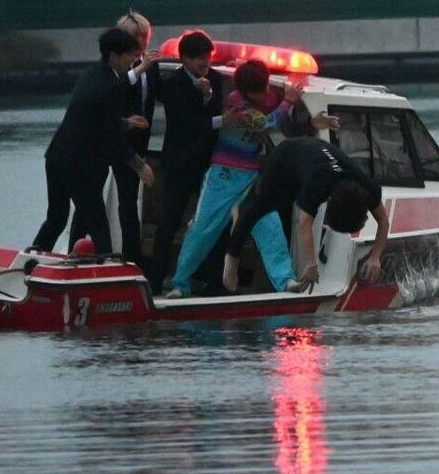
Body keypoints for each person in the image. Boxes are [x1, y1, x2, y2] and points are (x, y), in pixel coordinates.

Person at [165, 59, 302, 298]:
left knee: (270, 226)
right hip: (224, 175)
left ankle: (286, 279)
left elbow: (280, 117)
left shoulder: (269, 96)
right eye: (257, 91)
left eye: (265, 89)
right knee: (203, 228)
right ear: (245, 91)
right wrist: (288, 100)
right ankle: (180, 283)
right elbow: (265, 122)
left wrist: (287, 101)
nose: (263, 95)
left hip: (253, 177)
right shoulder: (236, 103)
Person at [31, 28, 155, 255]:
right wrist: (140, 166)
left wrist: (126, 122)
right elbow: (112, 138)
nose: (132, 61)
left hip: (56, 156)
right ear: (113, 56)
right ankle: (103, 276)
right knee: (97, 222)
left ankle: (30, 262)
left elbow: (93, 118)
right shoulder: (114, 86)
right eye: (128, 55)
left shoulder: (90, 75)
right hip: (79, 165)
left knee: (56, 218)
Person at [224, 137, 391, 294]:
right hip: (285, 157)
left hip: (313, 157)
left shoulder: (368, 188)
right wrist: (310, 266)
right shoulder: (318, 184)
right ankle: (231, 257)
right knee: (260, 209)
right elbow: (303, 224)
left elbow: (383, 221)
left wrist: (376, 256)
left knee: (289, 204)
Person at [148, 30, 243, 294]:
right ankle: (155, 280)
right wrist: (220, 119)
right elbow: (184, 125)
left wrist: (208, 95)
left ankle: (215, 280)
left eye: (208, 57)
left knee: (216, 219)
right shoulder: (175, 84)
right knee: (170, 221)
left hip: (208, 163)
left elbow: (213, 112)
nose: (205, 62)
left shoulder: (212, 78)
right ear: (185, 60)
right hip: (179, 163)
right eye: (199, 58)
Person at [68, 10, 160, 265]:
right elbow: (117, 88)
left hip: (132, 144)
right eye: (135, 39)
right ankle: (74, 250)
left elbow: (160, 94)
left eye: (144, 38)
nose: (141, 45)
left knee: (128, 204)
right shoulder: (115, 70)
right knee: (89, 199)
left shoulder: (150, 67)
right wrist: (140, 69)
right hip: (105, 141)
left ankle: (132, 258)